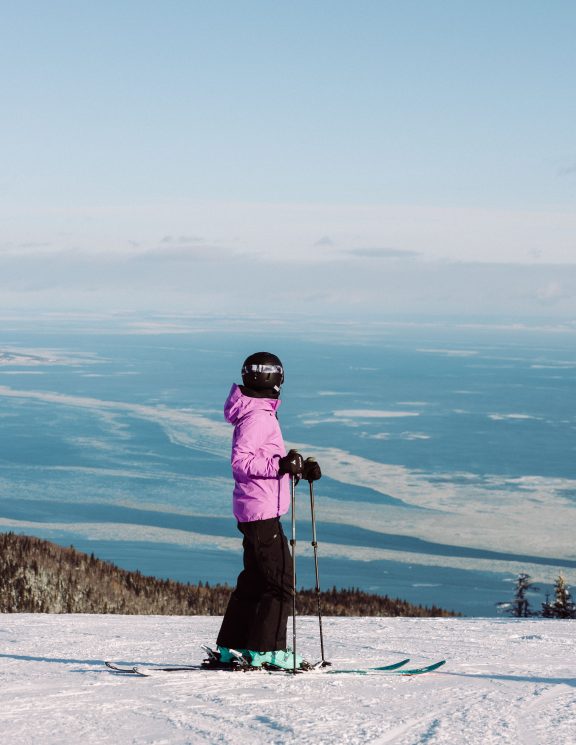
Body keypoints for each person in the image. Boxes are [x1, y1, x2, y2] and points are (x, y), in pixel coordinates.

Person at [214, 351, 322, 670]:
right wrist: (280, 465)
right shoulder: (259, 416)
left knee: (254, 581)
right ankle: (267, 651)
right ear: (274, 379)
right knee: (280, 582)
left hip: (254, 508)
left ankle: (231, 647)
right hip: (261, 511)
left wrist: (296, 468)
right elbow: (242, 461)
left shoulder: (256, 411)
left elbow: (266, 459)